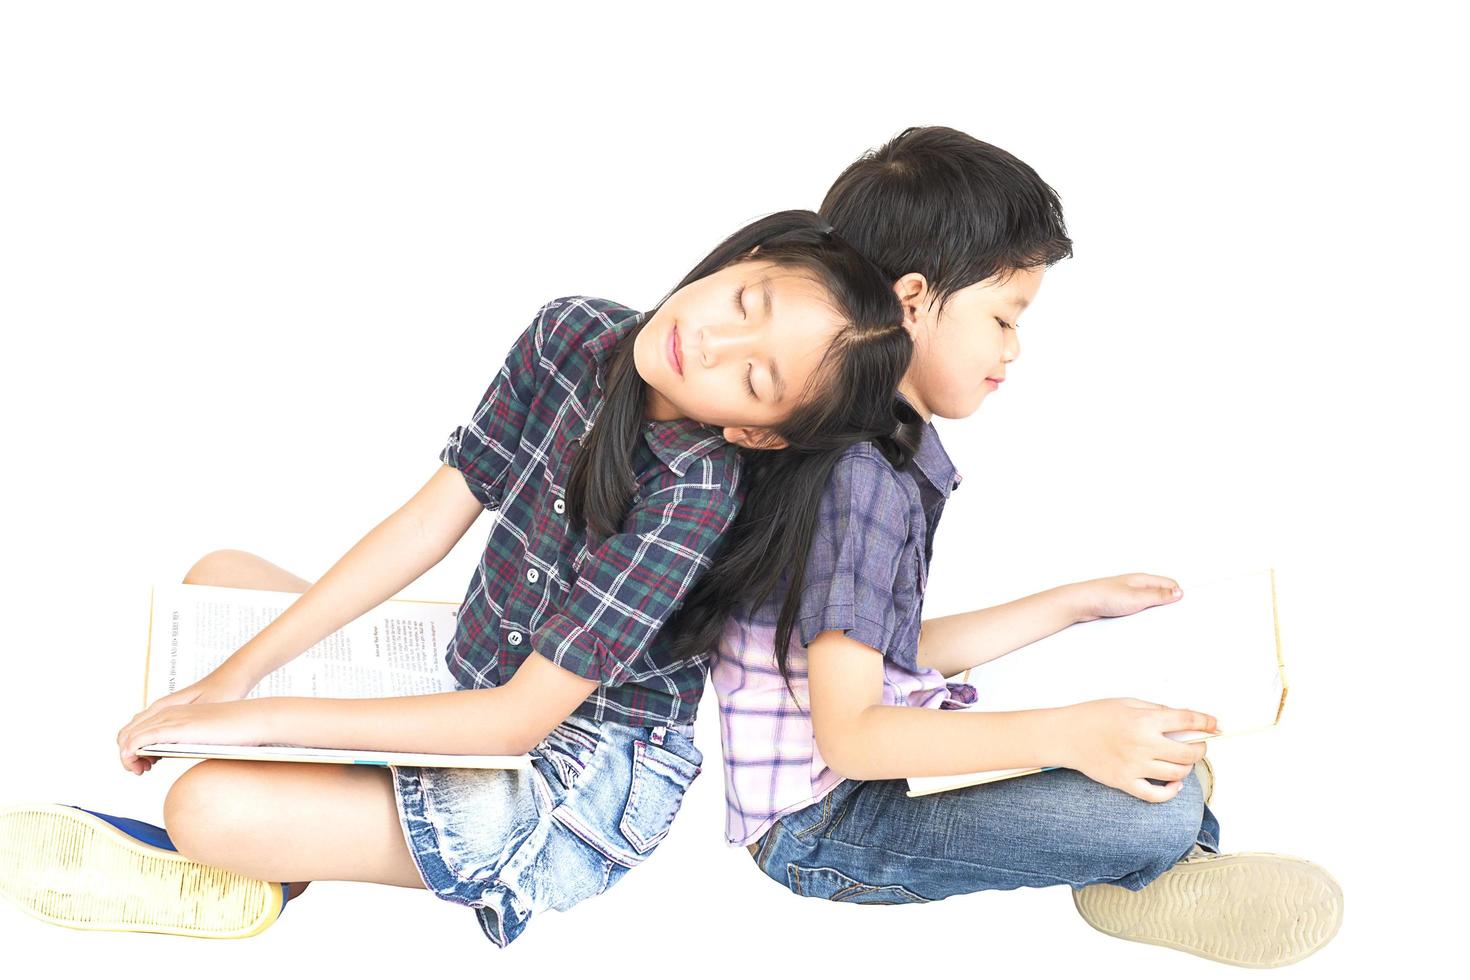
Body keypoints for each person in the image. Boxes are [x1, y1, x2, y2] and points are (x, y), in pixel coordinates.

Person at [0, 209, 914, 947]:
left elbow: (518, 719)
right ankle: (287, 823)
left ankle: (249, 865)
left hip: (570, 774)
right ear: (739, 259)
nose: (714, 344)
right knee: (220, 577)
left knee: (205, 804)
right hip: (465, 666)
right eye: (745, 302)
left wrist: (248, 719)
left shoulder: (695, 496)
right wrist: (232, 675)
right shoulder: (573, 334)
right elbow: (428, 523)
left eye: (757, 380)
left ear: (759, 434)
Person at [691, 128, 1344, 969]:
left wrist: (1071, 605)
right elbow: (852, 733)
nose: (1013, 349)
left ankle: (1163, 852)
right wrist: (1068, 735)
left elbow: (882, 654)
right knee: (1159, 801)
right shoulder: (855, 479)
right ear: (912, 300)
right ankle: (1161, 863)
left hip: (861, 783)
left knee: (1153, 759)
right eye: (1003, 317)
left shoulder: (876, 456)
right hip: (827, 827)